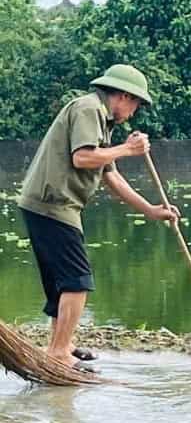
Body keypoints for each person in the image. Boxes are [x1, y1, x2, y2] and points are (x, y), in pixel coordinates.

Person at [17, 64, 179, 371]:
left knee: (61, 283)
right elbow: (83, 157)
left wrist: (152, 210)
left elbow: (113, 179)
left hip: (58, 204)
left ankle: (61, 344)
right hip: (52, 203)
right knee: (78, 281)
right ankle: (59, 353)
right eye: (135, 104)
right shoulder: (88, 109)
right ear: (121, 96)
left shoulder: (104, 122)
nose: (133, 112)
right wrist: (127, 149)